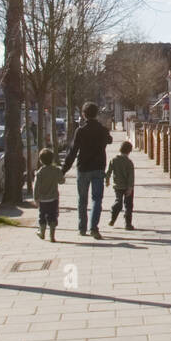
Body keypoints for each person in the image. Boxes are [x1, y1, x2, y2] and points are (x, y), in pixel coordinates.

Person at [60, 101, 112, 239]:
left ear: (83, 115)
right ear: (96, 114)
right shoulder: (102, 130)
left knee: (82, 200)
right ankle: (94, 228)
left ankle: (82, 228)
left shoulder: (80, 131)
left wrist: (63, 169)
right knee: (97, 199)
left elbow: (72, 151)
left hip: (83, 168)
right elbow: (110, 140)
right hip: (99, 167)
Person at [33, 147, 64, 242]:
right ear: (52, 159)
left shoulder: (40, 172)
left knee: (42, 215)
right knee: (53, 215)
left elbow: (36, 187)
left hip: (42, 199)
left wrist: (36, 198)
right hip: (53, 198)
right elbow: (61, 181)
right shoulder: (56, 170)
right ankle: (52, 235)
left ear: (41, 160)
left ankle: (42, 232)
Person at [106, 141, 136, 230]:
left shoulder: (114, 160)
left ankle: (112, 218)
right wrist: (130, 187)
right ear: (129, 151)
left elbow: (108, 172)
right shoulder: (129, 162)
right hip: (127, 187)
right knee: (128, 205)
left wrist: (107, 180)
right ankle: (128, 224)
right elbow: (131, 176)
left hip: (117, 186)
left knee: (118, 202)